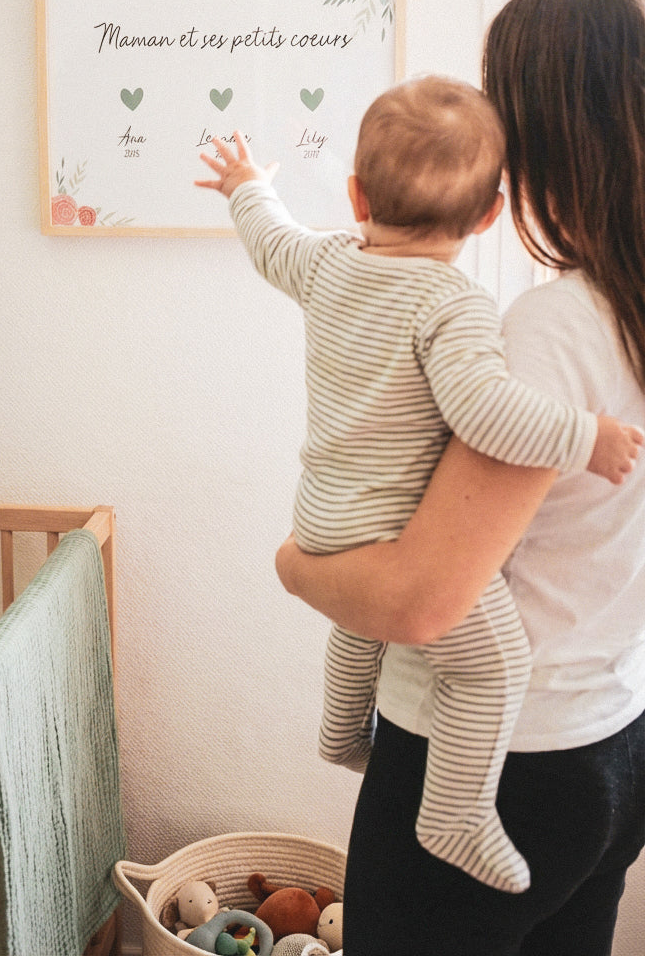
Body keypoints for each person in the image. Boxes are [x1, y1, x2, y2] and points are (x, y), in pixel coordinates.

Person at [194, 72, 641, 898]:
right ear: (488, 215)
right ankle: (455, 813)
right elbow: (489, 414)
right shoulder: (454, 305)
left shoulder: (327, 262)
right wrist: (588, 437)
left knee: (356, 622)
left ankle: (340, 730)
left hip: (322, 512)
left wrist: (246, 185)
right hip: (393, 528)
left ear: (358, 195)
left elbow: (270, 238)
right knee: (494, 662)